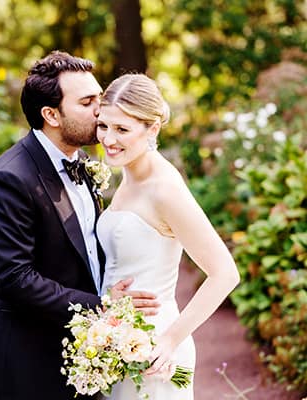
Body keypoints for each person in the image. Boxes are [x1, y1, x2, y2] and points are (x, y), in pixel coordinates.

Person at [0, 52, 158, 400]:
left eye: (100, 99)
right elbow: (15, 279)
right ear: (51, 115)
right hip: (30, 361)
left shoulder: (85, 163)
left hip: (86, 353)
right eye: (88, 103)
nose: (101, 112)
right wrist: (101, 305)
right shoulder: (10, 179)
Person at [96, 73, 240, 400]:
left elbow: (225, 273)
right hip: (117, 341)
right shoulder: (129, 177)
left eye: (122, 129)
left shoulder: (164, 189)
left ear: (152, 129)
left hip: (151, 351)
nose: (108, 138)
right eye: (104, 125)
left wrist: (170, 340)